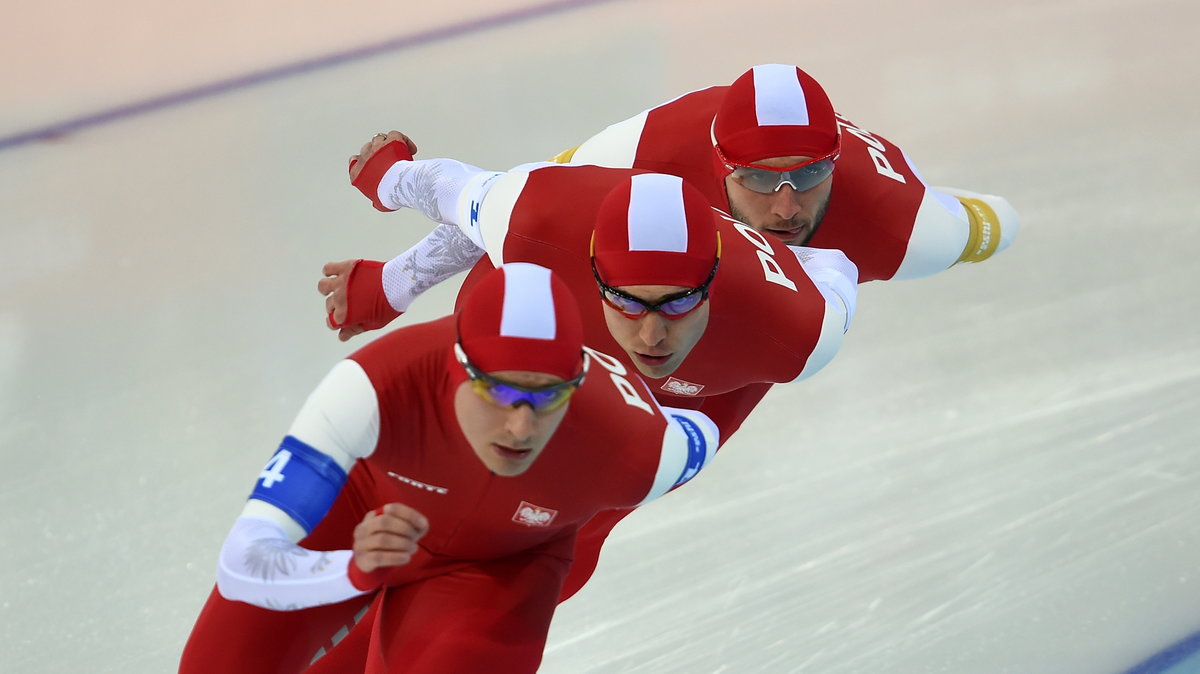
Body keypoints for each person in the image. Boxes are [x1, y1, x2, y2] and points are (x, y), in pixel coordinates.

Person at [329, 142, 858, 600]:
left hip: (680, 394)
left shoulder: (795, 331)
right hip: (546, 306)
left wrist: (799, 262)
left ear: (714, 287)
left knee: (546, 542)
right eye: (627, 301)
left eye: (677, 303)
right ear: (592, 270)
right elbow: (452, 192)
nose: (650, 334)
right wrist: (389, 258)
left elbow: (837, 266)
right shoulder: (539, 217)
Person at [178, 262, 719, 673]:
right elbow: (244, 562)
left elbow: (702, 432)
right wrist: (350, 570)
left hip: (499, 568)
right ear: (456, 367)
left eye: (550, 396)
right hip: (365, 512)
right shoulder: (372, 387)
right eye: (500, 392)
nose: (521, 428)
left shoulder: (634, 447)